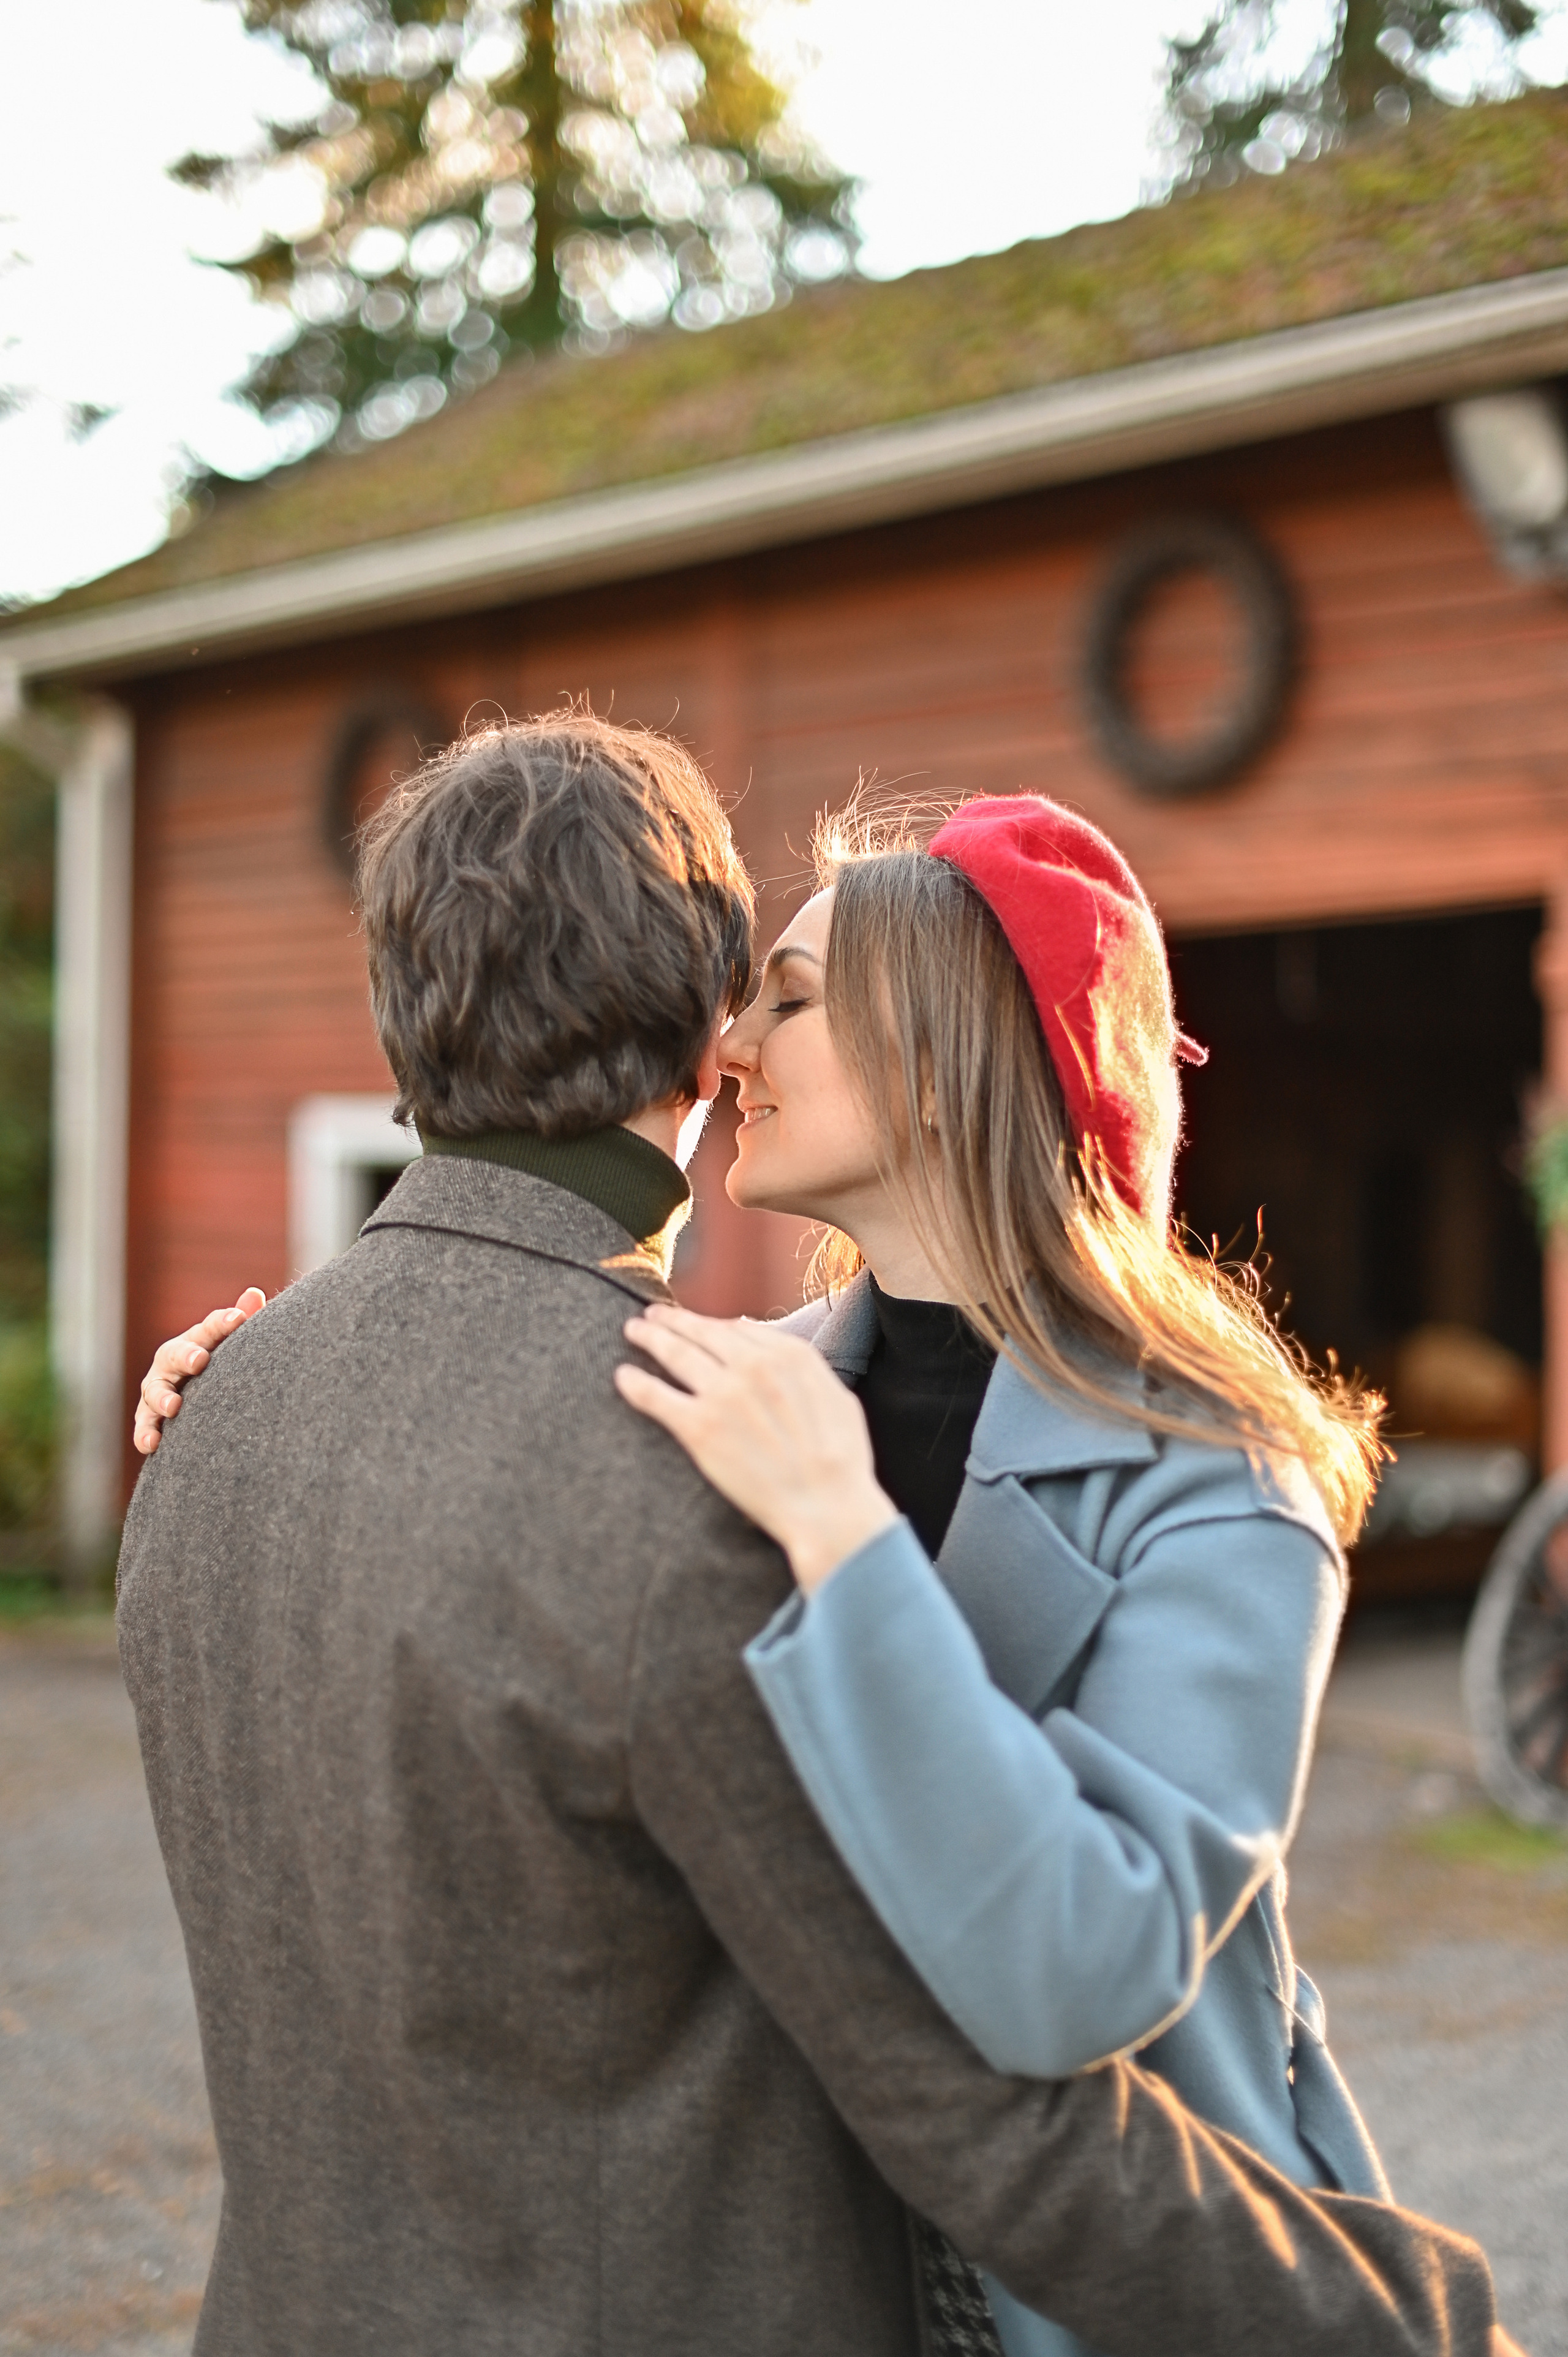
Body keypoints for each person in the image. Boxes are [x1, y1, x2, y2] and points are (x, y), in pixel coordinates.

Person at [125, 715, 1516, 2357]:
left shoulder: (1219, 1479)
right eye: (747, 993)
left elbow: (1079, 1977)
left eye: (785, 998)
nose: (730, 1051)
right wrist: (299, 1410)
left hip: (1101, 2304)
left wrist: (849, 1544)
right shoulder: (723, 1411)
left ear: (945, 1054)